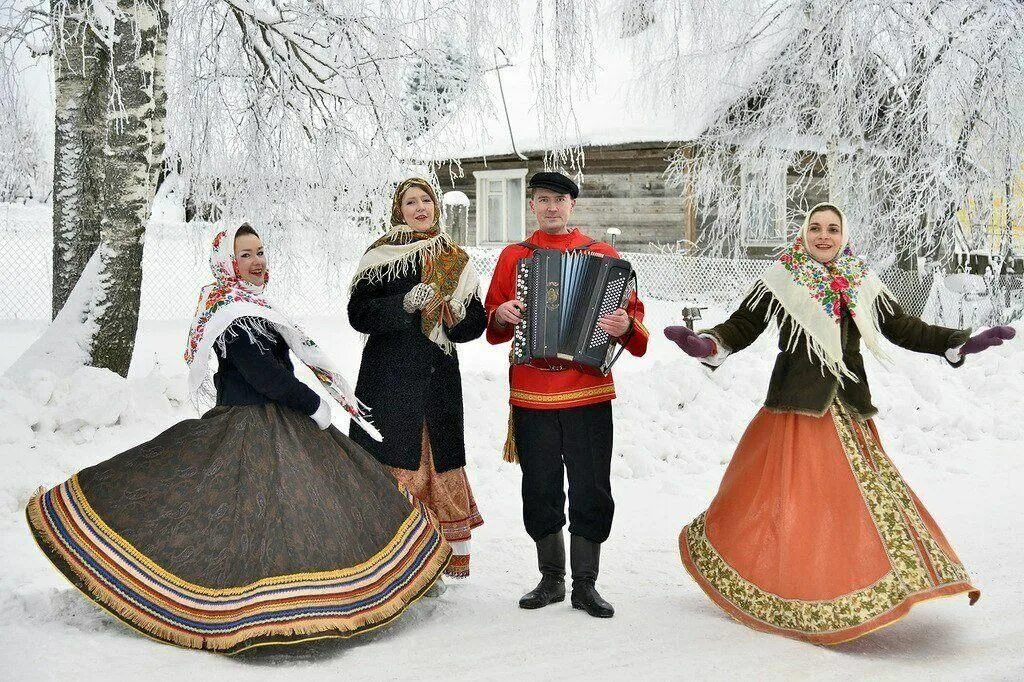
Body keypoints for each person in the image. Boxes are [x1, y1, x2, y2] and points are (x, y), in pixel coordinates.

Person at [26, 223, 451, 654]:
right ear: (228, 263)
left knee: (312, 505)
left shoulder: (253, 306)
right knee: (245, 514)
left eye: (261, 251)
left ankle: (320, 600)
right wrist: (313, 405)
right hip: (249, 424)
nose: (257, 260)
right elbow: (261, 374)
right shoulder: (231, 311)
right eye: (245, 253)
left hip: (280, 421)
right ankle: (254, 608)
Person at [665, 203, 1016, 644]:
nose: (824, 235)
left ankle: (863, 584)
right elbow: (743, 325)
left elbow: (904, 328)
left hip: (848, 407)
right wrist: (706, 343)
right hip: (794, 408)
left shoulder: (861, 280)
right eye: (815, 227)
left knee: (863, 500)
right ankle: (785, 583)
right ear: (804, 232)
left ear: (844, 234)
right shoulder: (780, 279)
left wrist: (959, 341)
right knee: (775, 498)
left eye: (832, 228)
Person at [484, 171, 649, 618]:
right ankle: (551, 578)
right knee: (539, 487)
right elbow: (493, 327)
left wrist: (624, 327)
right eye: (542, 200)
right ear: (532, 205)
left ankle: (586, 584)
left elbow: (637, 330)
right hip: (532, 394)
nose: (551, 207)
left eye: (559, 199)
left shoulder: (603, 256)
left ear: (572, 205)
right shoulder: (514, 257)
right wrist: (500, 313)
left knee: (592, 486)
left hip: (588, 392)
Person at [348, 178, 486, 580]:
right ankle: (392, 563)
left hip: (437, 379)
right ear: (399, 210)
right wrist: (403, 304)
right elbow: (359, 314)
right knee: (393, 458)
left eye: (426, 200)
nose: (421, 207)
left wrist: (457, 318)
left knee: (438, 457)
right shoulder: (381, 256)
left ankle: (440, 557)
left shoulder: (456, 259)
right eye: (411, 202)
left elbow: (474, 319)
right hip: (389, 378)